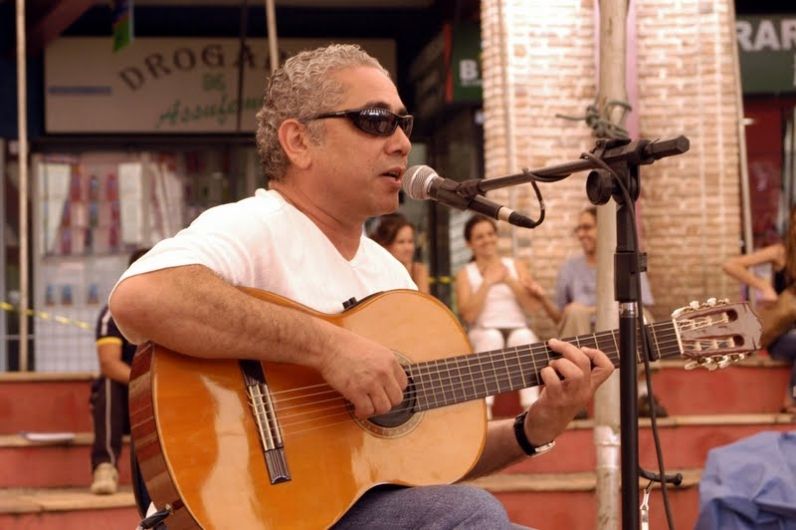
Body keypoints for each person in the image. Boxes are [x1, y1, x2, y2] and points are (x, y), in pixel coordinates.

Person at [108, 44, 614, 529]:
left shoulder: (388, 276)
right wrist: (329, 346)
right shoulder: (255, 225)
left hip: (358, 511)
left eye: (403, 123)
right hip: (252, 512)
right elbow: (140, 299)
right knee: (470, 515)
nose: (400, 142)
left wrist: (535, 428)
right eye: (375, 121)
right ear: (298, 141)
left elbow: (422, 459)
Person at [553, 206, 667, 418]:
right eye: (578, 229)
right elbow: (561, 315)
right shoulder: (569, 267)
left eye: (586, 228)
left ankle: (644, 395)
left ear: (603, 230)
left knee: (641, 315)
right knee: (575, 313)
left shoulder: (626, 262)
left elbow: (643, 302)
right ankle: (575, 398)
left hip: (618, 324)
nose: (581, 234)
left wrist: (590, 309)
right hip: (583, 329)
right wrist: (540, 299)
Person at [455, 215, 559, 417]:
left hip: (517, 328)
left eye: (490, 234)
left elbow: (533, 307)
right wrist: (487, 282)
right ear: (469, 244)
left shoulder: (515, 265)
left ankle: (531, 408)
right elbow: (468, 315)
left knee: (524, 337)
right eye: (479, 237)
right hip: (483, 331)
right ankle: (484, 410)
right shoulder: (465, 273)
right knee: (491, 337)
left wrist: (508, 279)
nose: (487, 240)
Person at [722, 206, 796, 414]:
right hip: (780, 336)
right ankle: (792, 399)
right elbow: (730, 265)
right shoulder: (780, 252)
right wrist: (763, 286)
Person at [89, 247, 149, 495]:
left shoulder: (175, 313)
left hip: (161, 399)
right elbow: (109, 364)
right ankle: (105, 467)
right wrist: (144, 385)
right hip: (124, 402)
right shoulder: (112, 314)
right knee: (109, 383)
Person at [371, 212, 430, 293]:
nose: (408, 248)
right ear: (385, 245)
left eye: (410, 241)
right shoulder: (375, 271)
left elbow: (424, 303)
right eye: (401, 242)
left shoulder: (418, 270)